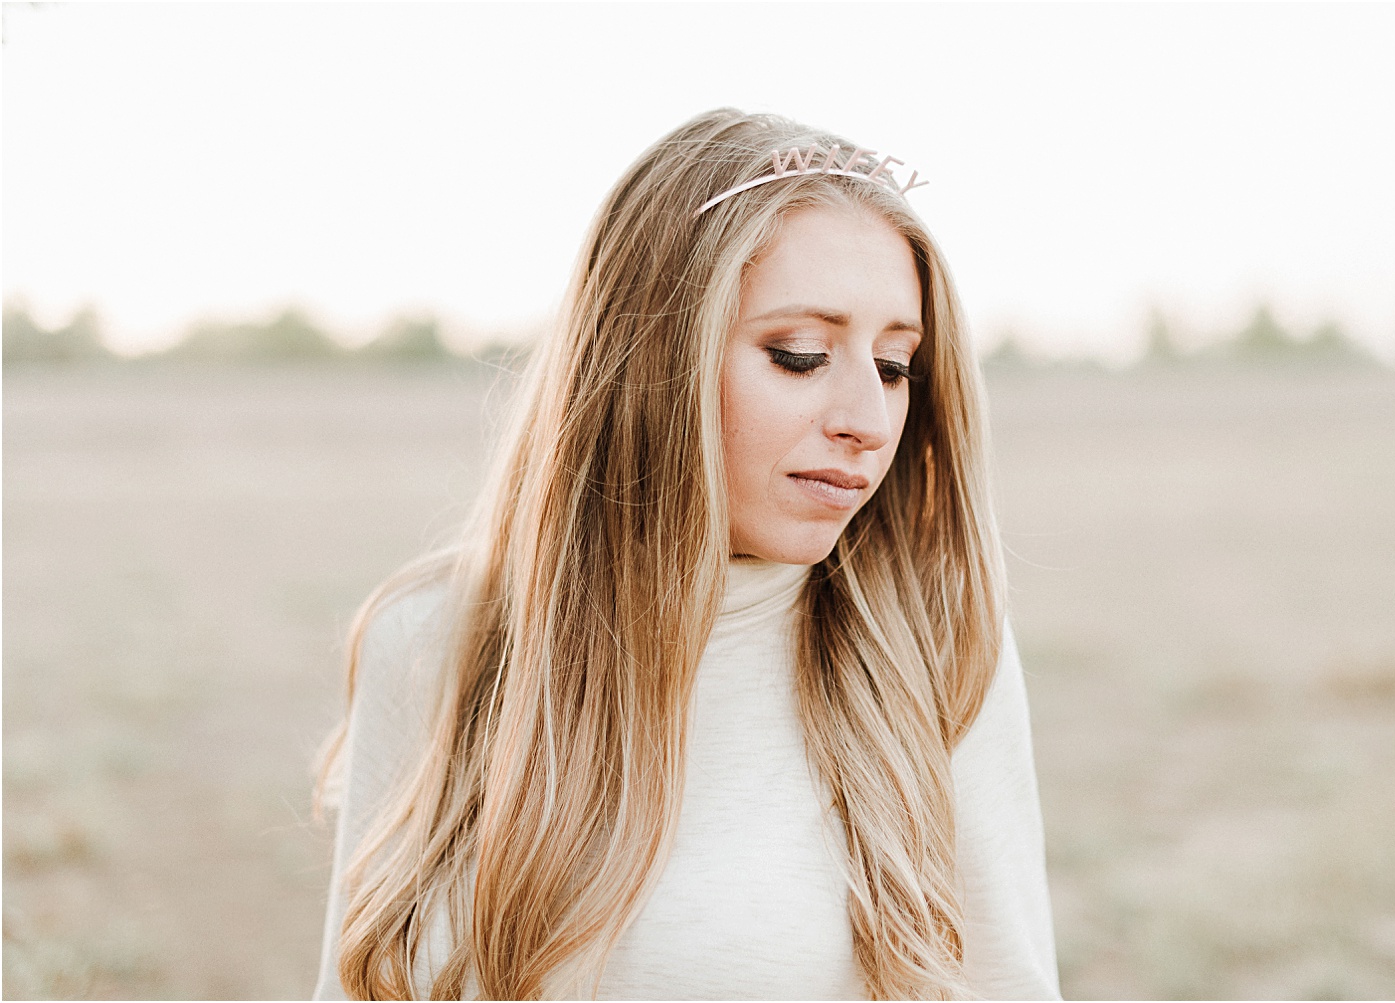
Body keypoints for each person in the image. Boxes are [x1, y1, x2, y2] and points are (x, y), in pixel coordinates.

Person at [313, 108, 1059, 1001]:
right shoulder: (432, 638)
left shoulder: (936, 648)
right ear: (653, 359)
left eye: (897, 365)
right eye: (802, 354)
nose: (867, 418)